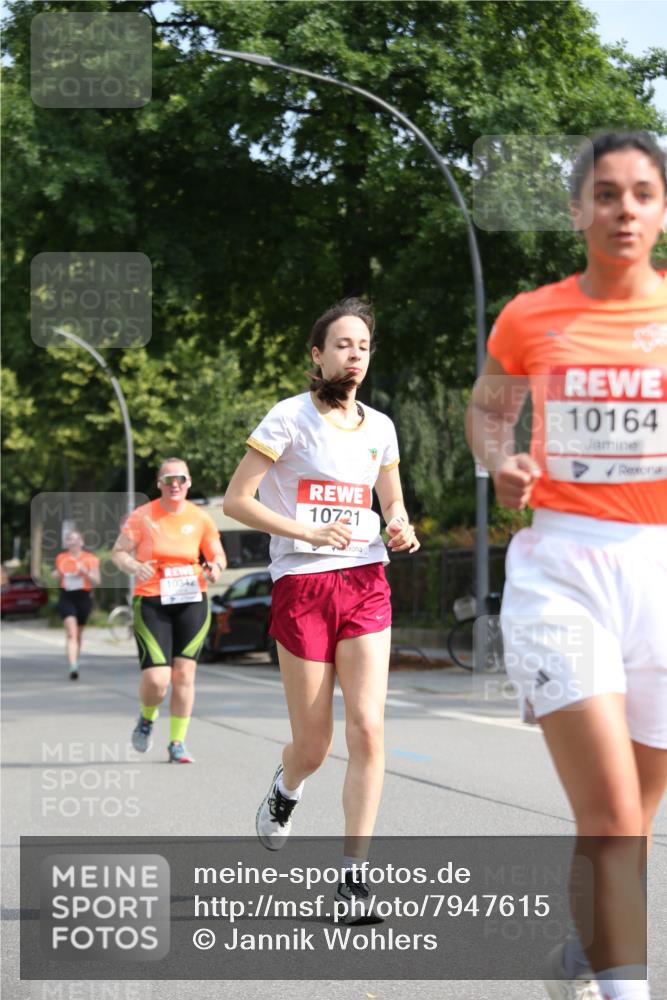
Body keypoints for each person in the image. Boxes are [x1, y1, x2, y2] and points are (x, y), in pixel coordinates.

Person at [466, 131, 667, 1000]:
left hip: (659, 571)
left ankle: (580, 956)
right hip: (562, 569)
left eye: (642, 193)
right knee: (613, 816)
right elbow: (486, 411)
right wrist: (498, 460)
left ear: (660, 210)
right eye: (606, 193)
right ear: (577, 209)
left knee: (633, 823)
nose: (623, 209)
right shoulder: (530, 314)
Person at [223, 297, 420, 921]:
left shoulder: (381, 428)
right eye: (342, 344)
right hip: (303, 585)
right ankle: (287, 789)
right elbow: (236, 500)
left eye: (362, 345)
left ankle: (353, 878)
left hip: (365, 581)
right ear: (317, 353)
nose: (353, 354)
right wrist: (305, 534)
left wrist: (399, 526)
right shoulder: (288, 418)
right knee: (313, 742)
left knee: (368, 727)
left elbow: (391, 501)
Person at [112, 458, 226, 763]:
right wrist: (135, 565)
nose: (174, 484)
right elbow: (118, 552)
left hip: (191, 598)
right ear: (159, 484)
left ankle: (177, 742)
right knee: (157, 680)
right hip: (151, 600)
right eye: (168, 479)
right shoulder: (142, 516)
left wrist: (214, 568)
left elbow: (217, 555)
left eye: (181, 479)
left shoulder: (201, 518)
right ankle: (147, 718)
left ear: (189, 482)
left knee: (185, 674)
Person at [51, 530, 100, 680]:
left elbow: (97, 581)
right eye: (70, 540)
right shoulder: (62, 558)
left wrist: (85, 572)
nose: (74, 542)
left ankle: (75, 660)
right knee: (71, 633)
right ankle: (73, 667)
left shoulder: (90, 559)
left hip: (83, 597)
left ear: (82, 542)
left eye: (76, 539)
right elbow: (55, 575)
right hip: (67, 596)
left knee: (78, 634)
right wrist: (59, 573)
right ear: (67, 543)